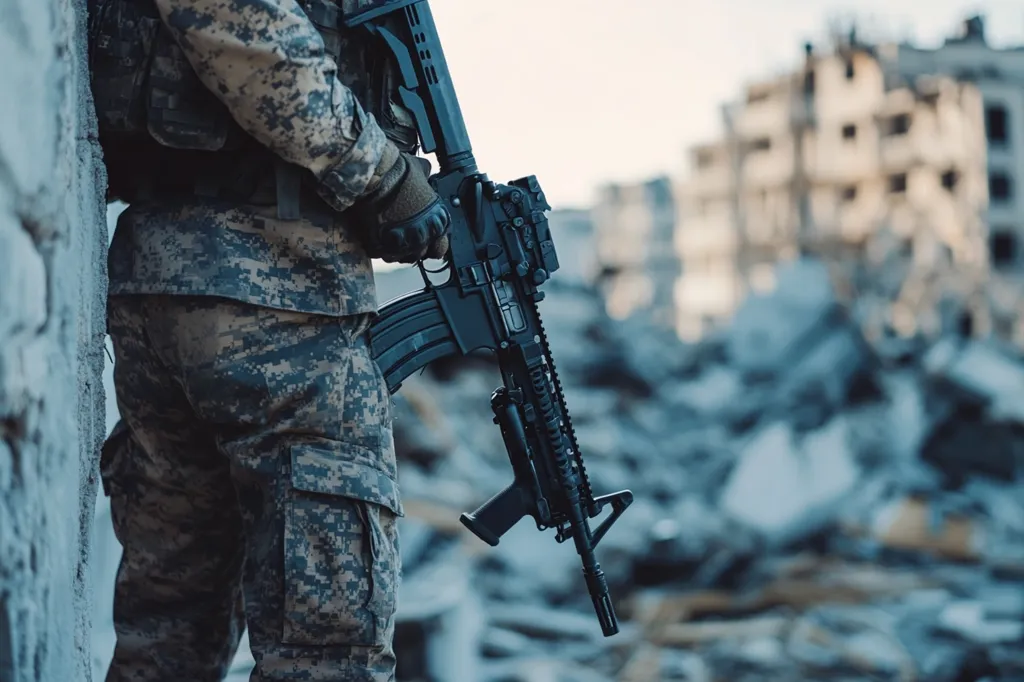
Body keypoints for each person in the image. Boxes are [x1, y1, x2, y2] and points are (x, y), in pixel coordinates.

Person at [88, 0, 448, 679]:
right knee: (327, 654)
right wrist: (384, 175)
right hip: (280, 289)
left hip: (175, 274)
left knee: (167, 641)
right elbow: (235, 18)